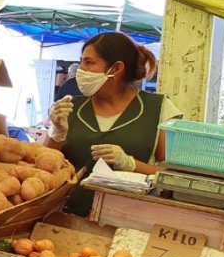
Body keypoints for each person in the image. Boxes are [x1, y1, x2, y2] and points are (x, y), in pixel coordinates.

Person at [46, 32, 183, 216]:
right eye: (81, 62)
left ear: (116, 68)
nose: (81, 70)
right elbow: (44, 166)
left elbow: (173, 176)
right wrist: (57, 133)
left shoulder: (159, 109)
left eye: (89, 62)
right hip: (64, 216)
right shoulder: (69, 108)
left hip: (129, 218)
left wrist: (130, 164)